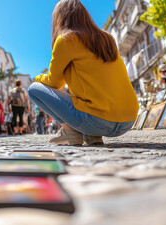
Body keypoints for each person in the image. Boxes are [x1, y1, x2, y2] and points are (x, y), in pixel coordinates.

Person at [27, 0, 139, 145]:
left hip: (98, 121)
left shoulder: (66, 39)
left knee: (34, 89)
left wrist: (38, 77)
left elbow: (55, 83)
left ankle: (70, 132)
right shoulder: (107, 38)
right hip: (128, 121)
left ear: (59, 19)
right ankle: (92, 136)